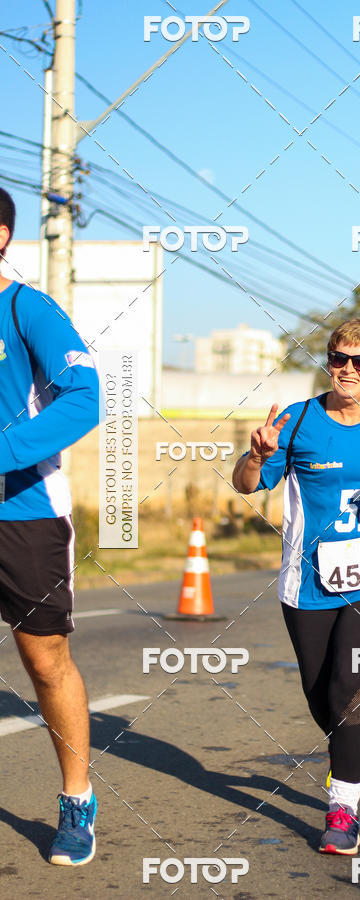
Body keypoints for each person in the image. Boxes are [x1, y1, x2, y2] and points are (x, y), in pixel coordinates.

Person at [233, 317, 360, 855]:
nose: (347, 369)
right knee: (322, 693)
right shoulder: (299, 422)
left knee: (352, 694)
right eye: (337, 358)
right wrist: (256, 454)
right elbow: (247, 486)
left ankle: (343, 808)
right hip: (309, 582)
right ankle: (343, 756)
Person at [0, 188, 101, 865]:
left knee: (43, 659)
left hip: (23, 513)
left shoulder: (25, 307)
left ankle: (76, 800)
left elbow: (86, 395)